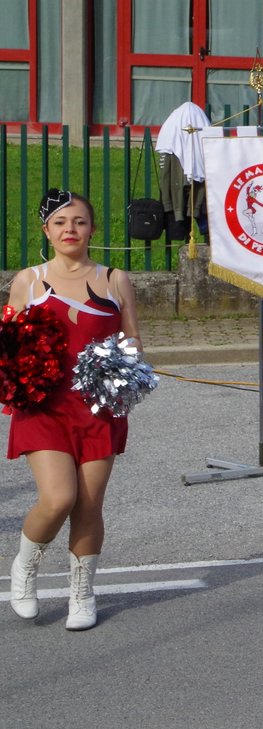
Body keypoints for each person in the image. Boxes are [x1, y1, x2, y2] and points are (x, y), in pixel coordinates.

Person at [7, 190, 142, 631]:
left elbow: (133, 339)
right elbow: (6, 343)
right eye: (61, 222)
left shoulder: (114, 279)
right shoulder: (28, 280)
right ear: (46, 230)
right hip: (44, 405)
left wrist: (122, 362)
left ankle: (82, 592)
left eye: (80, 222)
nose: (71, 230)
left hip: (98, 407)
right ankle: (25, 568)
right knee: (59, 497)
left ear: (92, 229)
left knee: (88, 503)